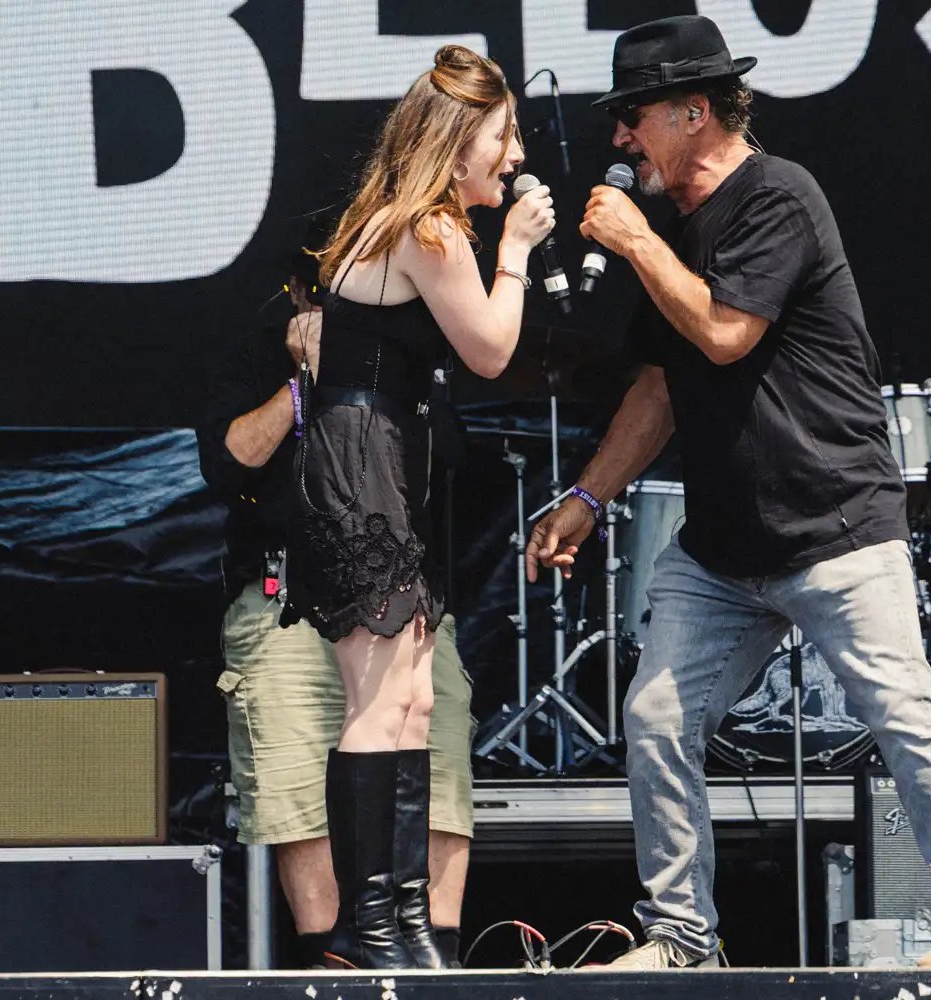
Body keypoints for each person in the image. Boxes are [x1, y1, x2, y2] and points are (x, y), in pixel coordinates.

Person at [526, 15, 931, 972]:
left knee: (901, 707)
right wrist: (584, 499)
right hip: (722, 549)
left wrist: (631, 241)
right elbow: (662, 386)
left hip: (833, 521)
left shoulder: (779, 197)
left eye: (634, 116)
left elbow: (723, 335)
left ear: (694, 111)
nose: (621, 139)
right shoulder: (674, 234)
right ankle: (682, 940)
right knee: (657, 721)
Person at [279, 45, 555, 970]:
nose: (513, 156)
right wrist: (514, 250)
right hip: (362, 464)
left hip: (381, 464)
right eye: (501, 137)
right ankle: (367, 928)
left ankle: (396, 924)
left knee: (409, 700)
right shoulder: (430, 231)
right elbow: (489, 351)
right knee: (380, 697)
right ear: (455, 142)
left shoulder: (401, 223)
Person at [198, 251, 477, 969]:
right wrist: (305, 385)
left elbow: (445, 450)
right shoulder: (261, 349)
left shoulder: (410, 348)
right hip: (285, 597)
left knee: (435, 764)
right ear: (297, 290)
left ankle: (430, 956)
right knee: (299, 791)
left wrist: (364, 376)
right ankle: (340, 960)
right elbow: (229, 462)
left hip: (391, 595)